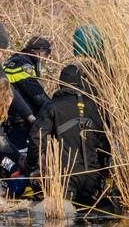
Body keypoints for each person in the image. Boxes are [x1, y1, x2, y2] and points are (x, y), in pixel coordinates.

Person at [27, 63, 111, 209]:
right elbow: (105, 143)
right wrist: (104, 171)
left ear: (61, 83)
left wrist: (32, 165)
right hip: (93, 175)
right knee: (89, 221)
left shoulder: (52, 106)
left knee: (64, 221)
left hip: (65, 176)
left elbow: (37, 138)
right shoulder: (96, 107)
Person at [3, 36, 52, 151]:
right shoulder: (23, 65)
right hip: (20, 119)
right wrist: (53, 108)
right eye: (46, 55)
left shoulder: (15, 59)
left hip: (12, 116)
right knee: (22, 151)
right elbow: (35, 93)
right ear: (39, 52)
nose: (45, 59)